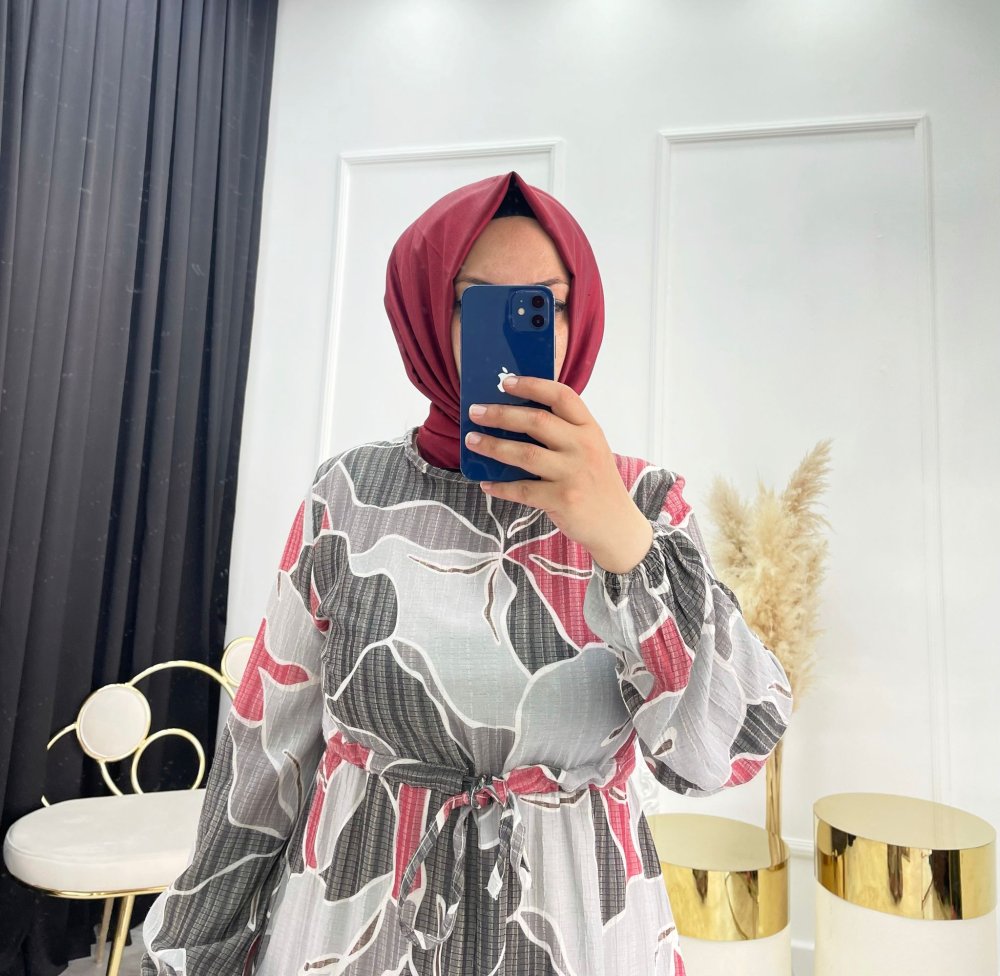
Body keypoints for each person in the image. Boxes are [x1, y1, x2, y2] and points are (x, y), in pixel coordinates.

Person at [141, 172, 793, 976]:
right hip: (356, 928)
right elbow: (263, 758)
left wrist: (620, 537)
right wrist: (194, 953)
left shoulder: (647, 504)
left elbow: (726, 753)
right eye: (477, 304)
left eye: (542, 307)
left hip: (579, 934)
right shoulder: (348, 495)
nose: (516, 334)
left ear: (581, 316)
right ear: (423, 314)